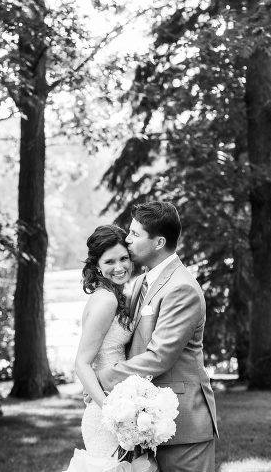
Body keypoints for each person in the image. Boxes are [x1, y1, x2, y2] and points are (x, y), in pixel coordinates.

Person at [96, 201, 218, 472]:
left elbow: (159, 356)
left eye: (135, 234)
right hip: (142, 421)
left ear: (159, 242)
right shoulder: (141, 282)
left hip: (182, 427)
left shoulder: (181, 288)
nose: (127, 240)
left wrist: (102, 378)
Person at [63, 224, 135, 470]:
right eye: (109, 261)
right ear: (97, 266)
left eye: (124, 258)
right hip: (108, 412)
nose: (119, 267)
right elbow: (82, 362)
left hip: (118, 400)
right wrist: (110, 411)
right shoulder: (106, 301)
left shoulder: (111, 295)